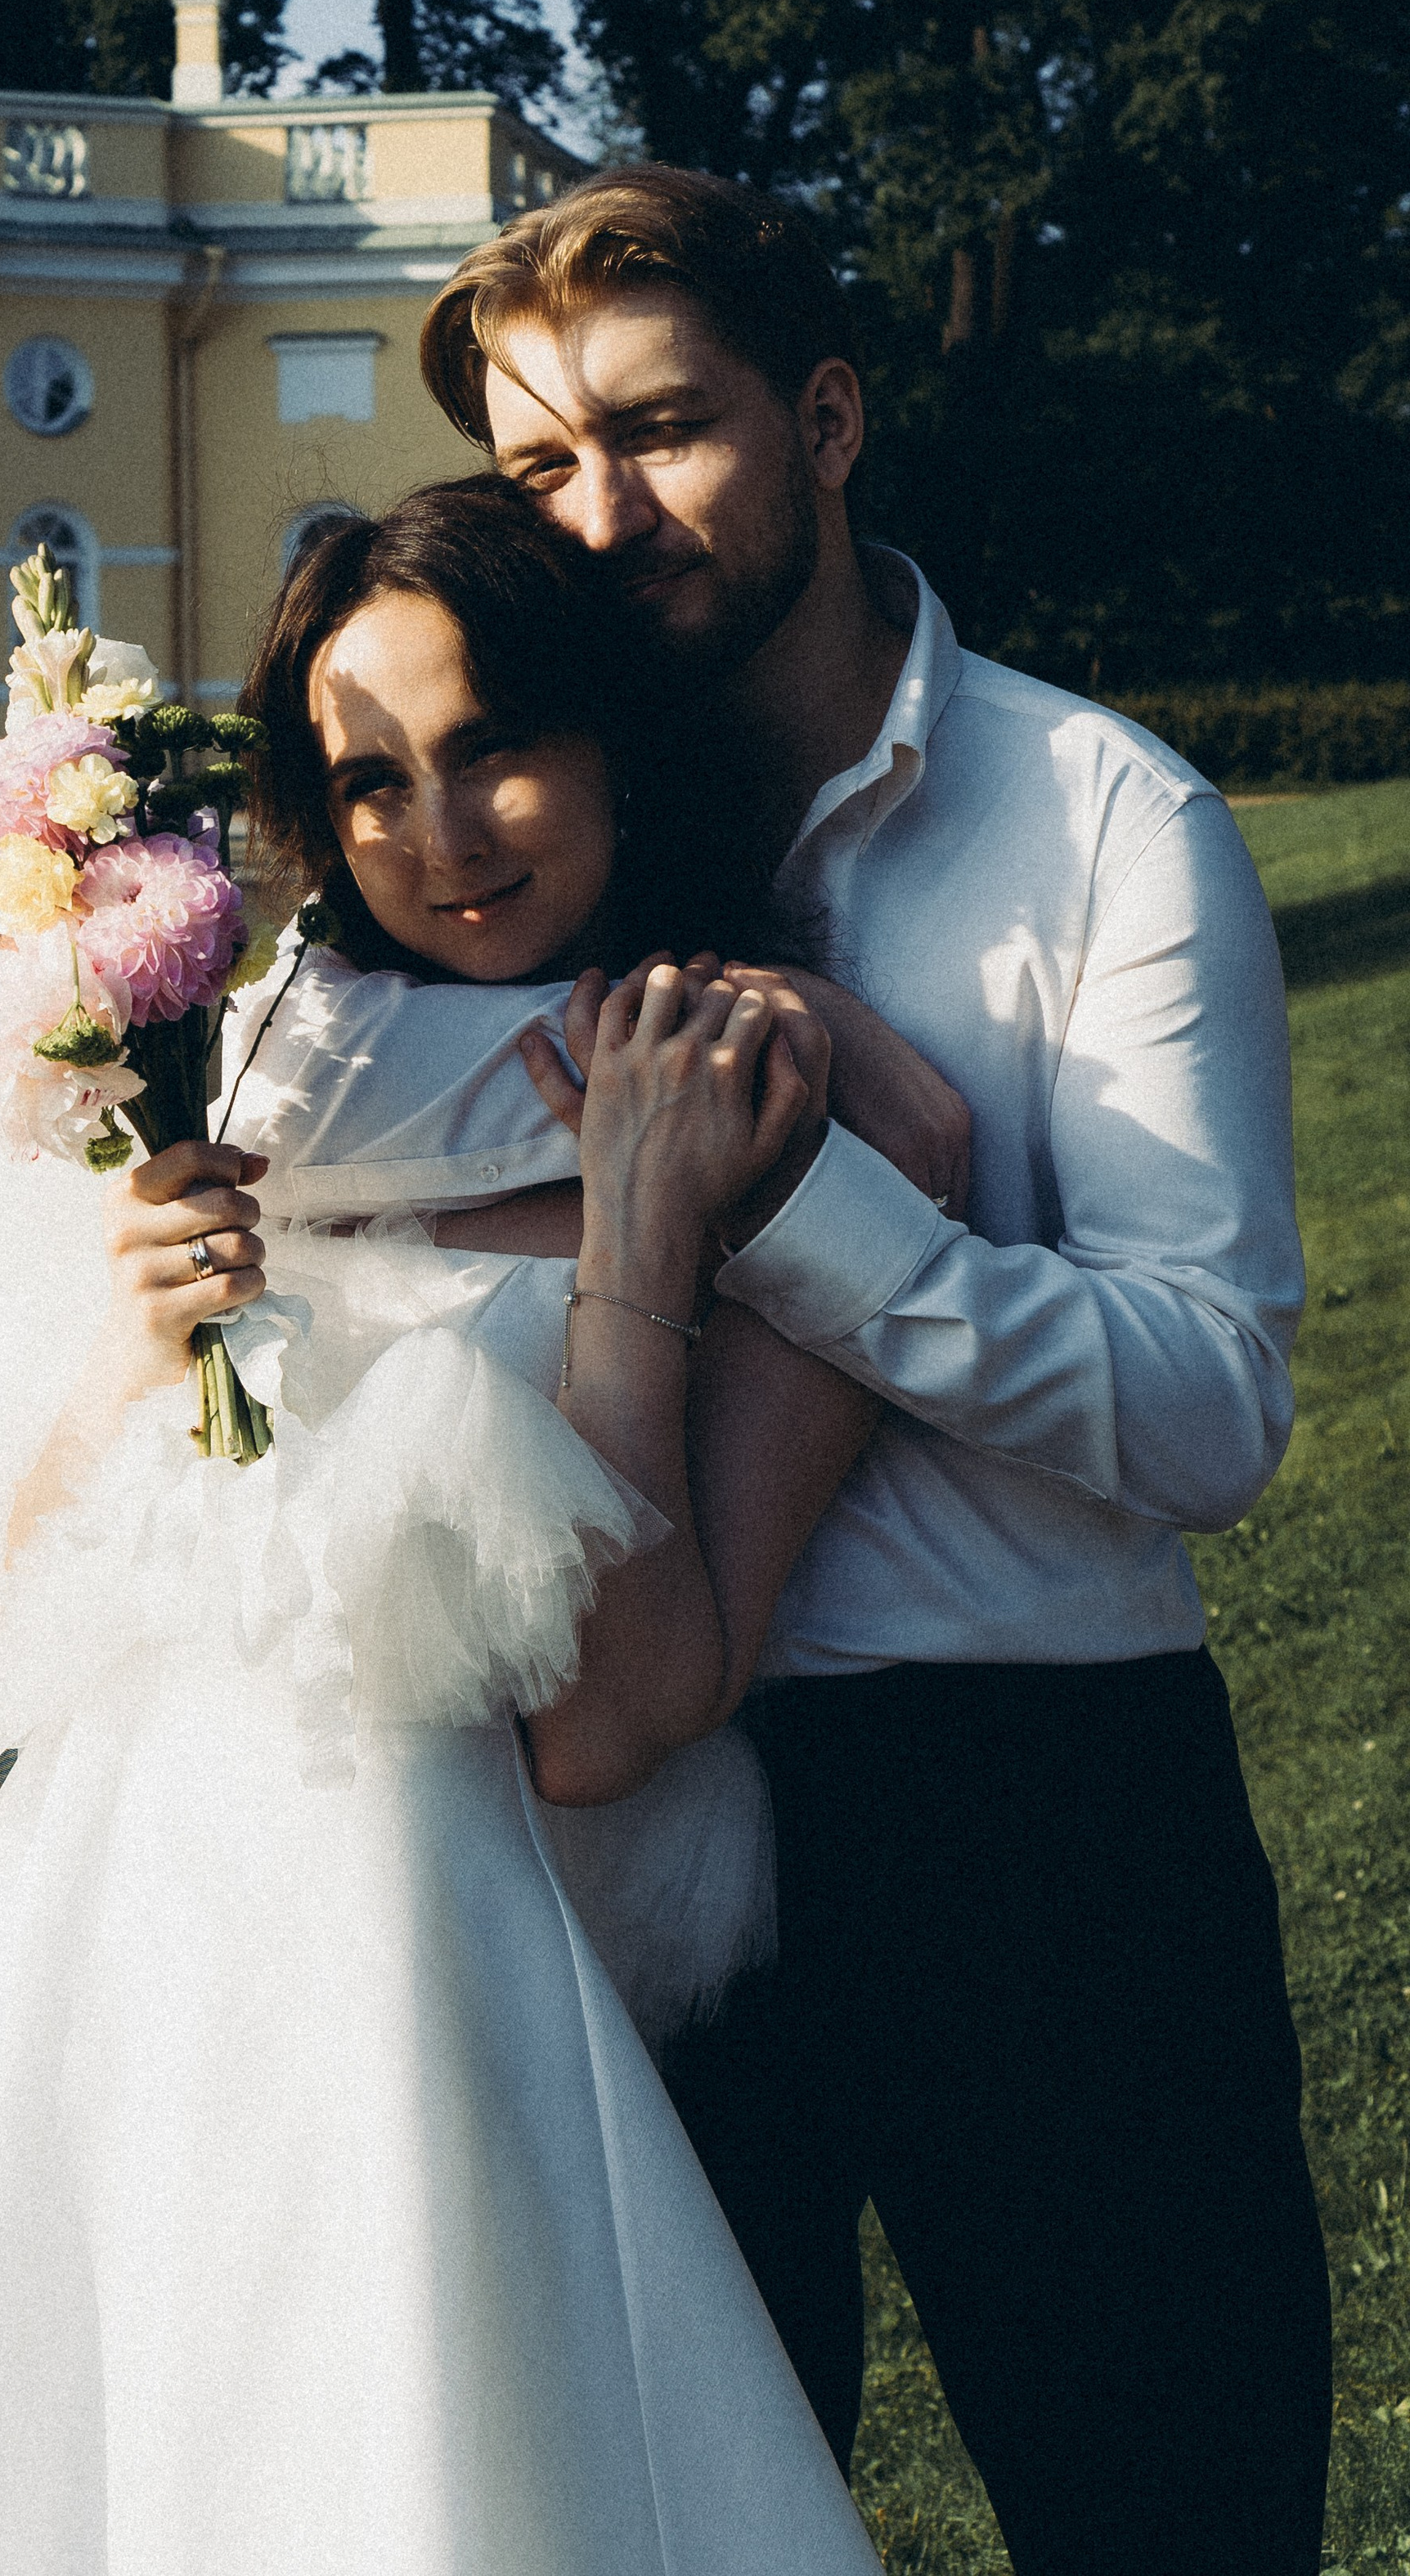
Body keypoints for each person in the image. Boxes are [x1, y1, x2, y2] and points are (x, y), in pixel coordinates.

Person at [0, 481, 904, 2574]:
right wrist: (131, 1356)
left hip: (420, 1974)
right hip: (99, 1945)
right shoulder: (210, 1085)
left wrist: (636, 1252)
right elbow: (21, 1626)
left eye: (496, 745)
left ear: (608, 743)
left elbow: (618, 1721)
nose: (444, 831)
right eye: (372, 779)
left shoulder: (747, 1101)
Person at [366, 164, 1330, 2576]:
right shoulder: (522, 847)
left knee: (1165, 2519)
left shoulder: (1108, 818)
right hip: (622, 1842)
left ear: (827, 415)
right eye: (542, 465)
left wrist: (805, 1213)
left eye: (666, 432)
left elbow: (1212, 1409)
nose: (598, 517)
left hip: (1036, 1818)